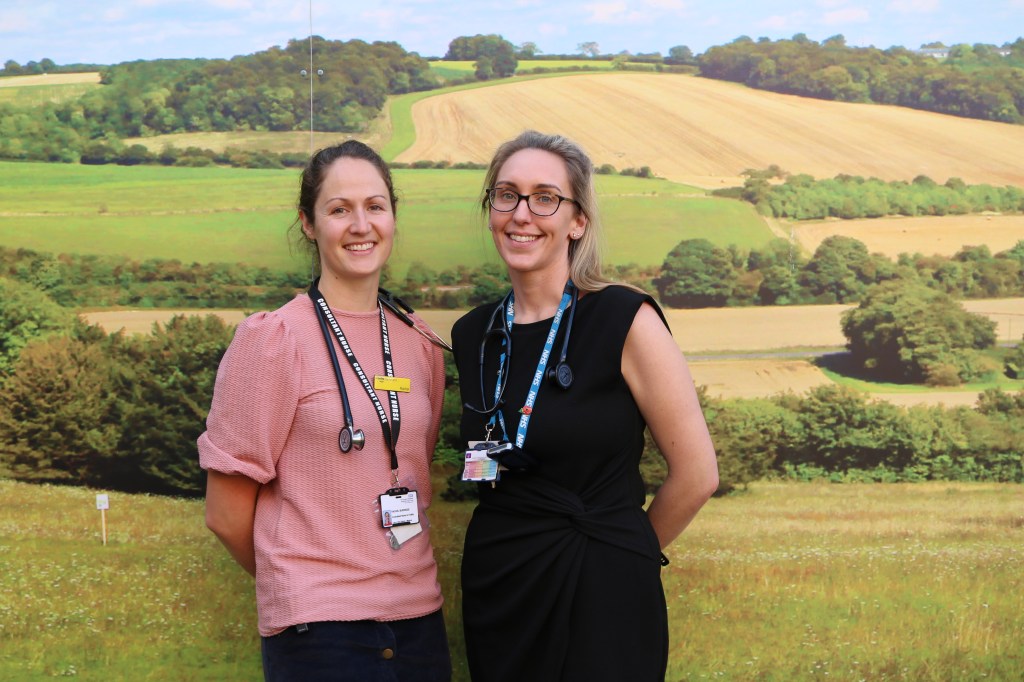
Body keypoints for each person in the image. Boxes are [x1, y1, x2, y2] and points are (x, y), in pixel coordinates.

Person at [450, 130, 719, 682]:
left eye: (545, 198)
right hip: (500, 589)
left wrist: (623, 554)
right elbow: (485, 460)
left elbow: (698, 476)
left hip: (604, 590)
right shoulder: (474, 333)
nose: (522, 214)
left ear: (578, 221)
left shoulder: (625, 319)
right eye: (507, 195)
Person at [199, 140, 452, 682]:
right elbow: (225, 514)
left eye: (375, 206)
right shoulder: (274, 340)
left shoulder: (420, 342)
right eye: (339, 209)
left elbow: (410, 465)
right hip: (319, 635)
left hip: (419, 625)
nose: (361, 225)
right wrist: (303, 584)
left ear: (393, 216)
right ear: (309, 224)